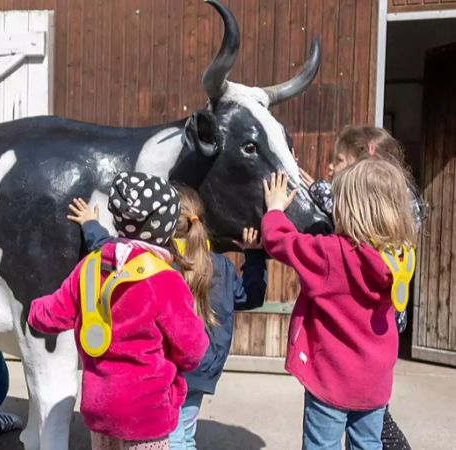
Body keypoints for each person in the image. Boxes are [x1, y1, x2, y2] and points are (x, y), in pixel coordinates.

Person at [66, 184, 268, 450]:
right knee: (184, 432)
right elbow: (250, 295)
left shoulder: (157, 263)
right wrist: (254, 255)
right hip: (203, 368)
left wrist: (91, 225)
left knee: (173, 439)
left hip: (169, 369)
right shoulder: (219, 265)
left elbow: (111, 254)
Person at [28, 171, 209, 450]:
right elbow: (193, 349)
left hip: (100, 409)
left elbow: (50, 315)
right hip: (146, 415)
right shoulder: (165, 280)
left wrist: (32, 308)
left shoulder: (89, 267)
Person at [261, 164, 416, 450]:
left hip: (330, 381)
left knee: (322, 445)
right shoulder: (401, 256)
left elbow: (280, 242)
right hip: (375, 383)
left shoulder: (332, 254)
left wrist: (274, 210)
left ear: (349, 210)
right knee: (368, 444)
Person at [298, 126, 422, 450]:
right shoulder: (399, 245)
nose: (331, 168)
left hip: (343, 366)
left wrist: (296, 197)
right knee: (368, 432)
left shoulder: (341, 250)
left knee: (339, 431)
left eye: (338, 161)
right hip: (379, 359)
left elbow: (293, 242)